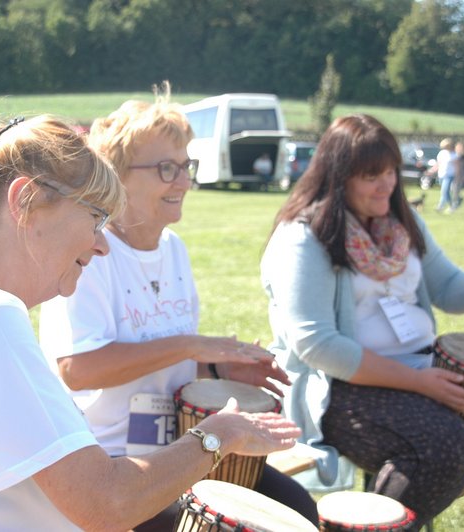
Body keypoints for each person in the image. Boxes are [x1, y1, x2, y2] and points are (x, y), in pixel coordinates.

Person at [0, 115, 303, 531]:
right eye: (95, 218)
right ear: (26, 202)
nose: (102, 245)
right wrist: (218, 434)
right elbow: (107, 503)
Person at [260, 113, 464, 531]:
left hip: (421, 372)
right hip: (337, 390)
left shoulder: (402, 224)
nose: (386, 184)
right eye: (371, 175)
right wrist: (421, 383)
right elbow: (317, 345)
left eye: (390, 171)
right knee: (443, 447)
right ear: (338, 177)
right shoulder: (303, 238)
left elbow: (451, 290)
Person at [39, 84, 319, 530]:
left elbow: (162, 364)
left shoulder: (174, 249)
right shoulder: (91, 252)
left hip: (183, 447)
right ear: (117, 174)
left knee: (298, 506)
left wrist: (217, 370)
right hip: (113, 463)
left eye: (186, 166)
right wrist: (191, 346)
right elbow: (78, 369)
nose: (184, 182)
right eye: (166, 169)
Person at [434, 137, 457, 212]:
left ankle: (451, 206)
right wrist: (430, 171)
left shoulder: (454, 155)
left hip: (450, 175)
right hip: (441, 175)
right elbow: (438, 164)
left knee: (445, 191)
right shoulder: (441, 153)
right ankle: (441, 206)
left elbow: (458, 167)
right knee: (443, 192)